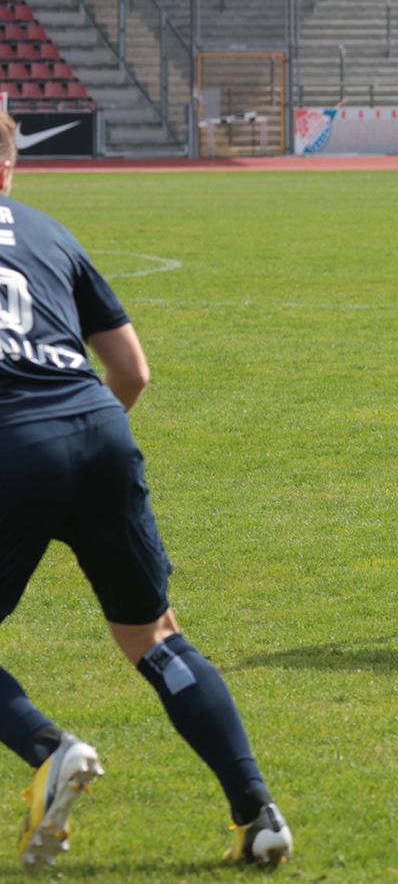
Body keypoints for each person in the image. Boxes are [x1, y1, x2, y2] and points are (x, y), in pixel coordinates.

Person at [0, 111, 291, 867]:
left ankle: (47, 750)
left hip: (11, 443)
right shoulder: (49, 231)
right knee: (153, 638)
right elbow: (133, 372)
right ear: (8, 168)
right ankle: (257, 812)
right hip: (99, 428)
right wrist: (84, 449)